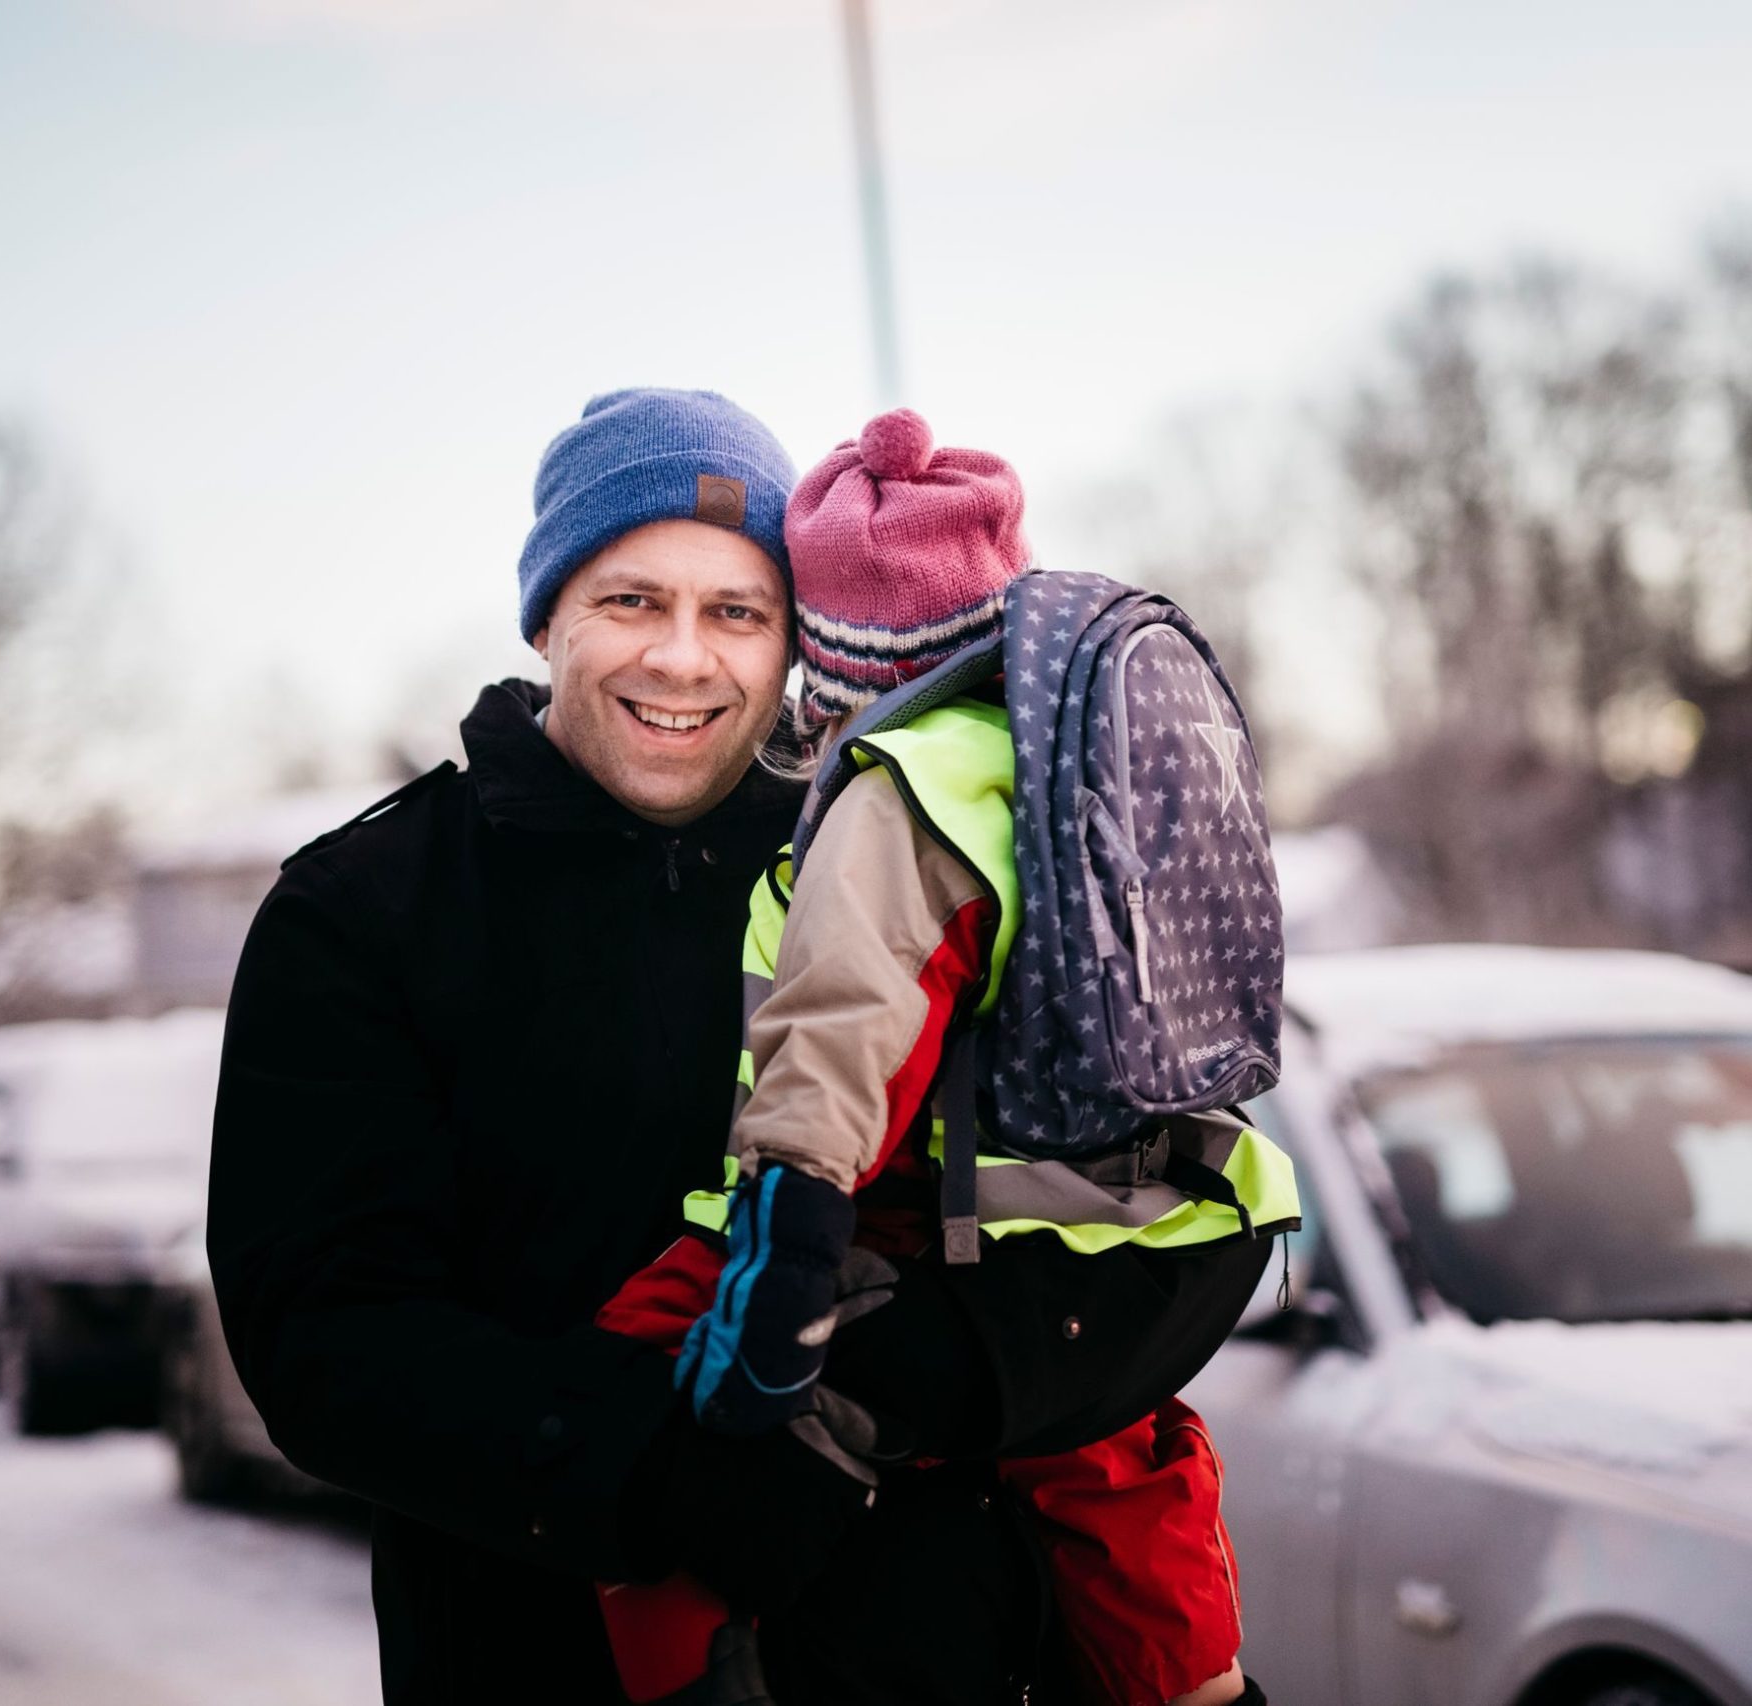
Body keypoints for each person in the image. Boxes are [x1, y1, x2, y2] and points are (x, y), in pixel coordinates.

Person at [207, 387, 1273, 1705]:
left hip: (957, 1654)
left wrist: (940, 1370)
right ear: (548, 615)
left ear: (796, 640)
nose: (683, 658)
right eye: (630, 600)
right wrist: (657, 1472)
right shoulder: (366, 909)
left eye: (737, 611)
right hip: (547, 1659)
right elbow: (321, 1338)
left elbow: (1187, 1206)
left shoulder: (906, 846)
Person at [588, 409, 1297, 1706]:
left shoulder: (898, 786)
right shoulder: (1070, 753)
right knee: (1115, 1467)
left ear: (846, 651)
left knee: (641, 1374)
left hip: (959, 1231)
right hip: (1148, 1219)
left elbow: (849, 1031)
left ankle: (683, 1684)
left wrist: (778, 1281)